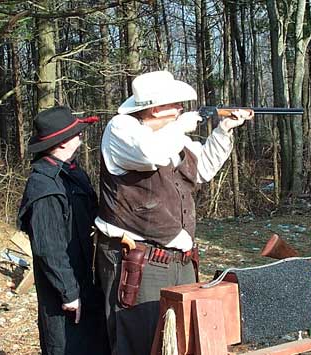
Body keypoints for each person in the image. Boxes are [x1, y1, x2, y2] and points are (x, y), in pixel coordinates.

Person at [95, 70, 252, 355]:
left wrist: (222, 131)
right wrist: (178, 128)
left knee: (182, 342)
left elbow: (201, 169)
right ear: (155, 108)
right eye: (175, 104)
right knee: (140, 342)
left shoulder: (168, 135)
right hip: (138, 259)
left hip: (178, 261)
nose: (181, 109)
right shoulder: (121, 128)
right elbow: (150, 154)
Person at [18, 106, 110, 355]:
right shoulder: (43, 187)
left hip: (88, 282)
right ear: (60, 144)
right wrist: (68, 293)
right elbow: (49, 248)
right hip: (65, 294)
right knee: (67, 346)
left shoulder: (72, 173)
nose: (80, 138)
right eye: (75, 134)